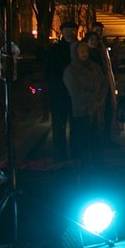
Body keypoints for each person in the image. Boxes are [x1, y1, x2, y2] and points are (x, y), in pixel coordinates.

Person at [63, 41, 108, 167]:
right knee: (83, 140)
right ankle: (84, 166)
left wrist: (102, 96)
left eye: (86, 51)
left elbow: (104, 82)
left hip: (97, 110)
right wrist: (95, 97)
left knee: (96, 139)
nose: (84, 54)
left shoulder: (94, 66)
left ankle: (97, 163)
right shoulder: (70, 71)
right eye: (81, 51)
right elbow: (75, 91)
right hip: (82, 111)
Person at [44, 20, 79, 161]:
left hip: (75, 95)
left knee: (76, 126)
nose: (70, 32)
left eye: (72, 29)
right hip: (60, 93)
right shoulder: (56, 49)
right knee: (59, 126)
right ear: (62, 32)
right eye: (67, 29)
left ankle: (75, 155)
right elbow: (49, 72)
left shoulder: (79, 48)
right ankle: (61, 156)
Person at [84, 31, 119, 147]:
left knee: (107, 113)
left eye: (95, 40)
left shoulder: (101, 53)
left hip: (104, 87)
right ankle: (95, 141)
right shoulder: (86, 55)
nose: (94, 42)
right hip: (93, 89)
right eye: (91, 40)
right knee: (94, 116)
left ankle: (106, 137)